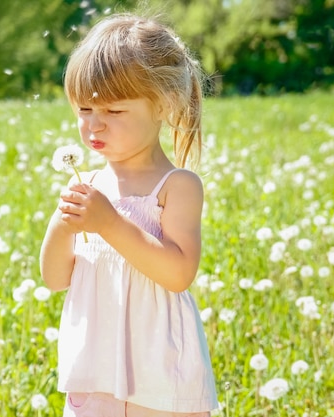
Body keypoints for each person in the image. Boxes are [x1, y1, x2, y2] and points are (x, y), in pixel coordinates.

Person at [39, 12, 219, 417]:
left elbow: (177, 274)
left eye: (114, 112)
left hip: (158, 374)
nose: (93, 125)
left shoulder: (177, 186)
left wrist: (110, 224)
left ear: (163, 105)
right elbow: (54, 279)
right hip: (94, 371)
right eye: (84, 109)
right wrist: (61, 224)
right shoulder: (87, 185)